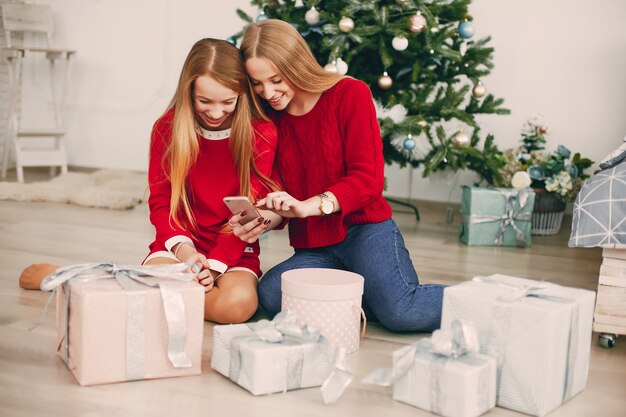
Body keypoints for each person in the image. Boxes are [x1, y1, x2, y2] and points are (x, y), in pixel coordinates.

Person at [18, 38, 279, 324]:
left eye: (227, 102)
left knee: (236, 307)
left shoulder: (261, 133)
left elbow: (247, 217)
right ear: (188, 90)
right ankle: (73, 279)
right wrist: (186, 252)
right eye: (204, 101)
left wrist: (213, 268)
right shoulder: (167, 128)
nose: (216, 113)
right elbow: (161, 202)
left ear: (241, 95)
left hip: (235, 251)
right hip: (179, 244)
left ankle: (111, 287)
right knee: (171, 287)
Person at [230, 19, 445, 332]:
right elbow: (282, 200)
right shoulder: (269, 120)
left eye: (276, 80)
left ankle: (481, 302)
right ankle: (367, 293)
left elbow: (367, 180)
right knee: (273, 294)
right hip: (316, 249)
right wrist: (262, 218)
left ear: (297, 64)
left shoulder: (349, 94)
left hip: (365, 232)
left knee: (402, 313)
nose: (269, 93)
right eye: (258, 84)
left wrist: (310, 206)